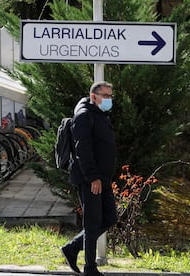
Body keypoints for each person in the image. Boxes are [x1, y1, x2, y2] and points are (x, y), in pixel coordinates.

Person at [61, 81, 118, 276]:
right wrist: (93, 177)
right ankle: (90, 268)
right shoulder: (84, 116)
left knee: (110, 217)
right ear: (94, 97)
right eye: (105, 95)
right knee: (92, 222)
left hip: (102, 178)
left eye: (111, 96)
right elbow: (82, 150)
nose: (109, 99)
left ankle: (73, 247)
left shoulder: (100, 114)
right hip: (90, 179)